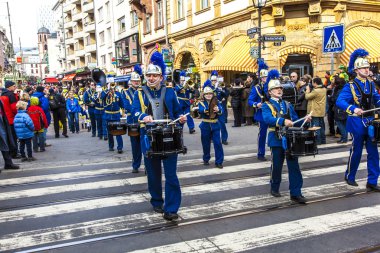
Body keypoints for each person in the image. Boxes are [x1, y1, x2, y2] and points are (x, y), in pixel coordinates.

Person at [132, 51, 187, 221]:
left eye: (155, 75)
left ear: (161, 77)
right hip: (149, 137)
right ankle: (157, 201)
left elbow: (178, 112)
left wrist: (182, 119)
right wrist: (142, 116)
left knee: (171, 175)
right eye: (149, 75)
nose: (151, 78)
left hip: (169, 135)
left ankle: (171, 209)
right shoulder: (139, 93)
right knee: (153, 173)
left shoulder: (170, 92)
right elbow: (132, 113)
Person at [262, 70, 311, 204]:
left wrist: (305, 120)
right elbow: (267, 119)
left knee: (294, 166)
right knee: (277, 165)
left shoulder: (287, 104)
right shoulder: (267, 105)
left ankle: (296, 193)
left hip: (290, 138)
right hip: (276, 138)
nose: (279, 90)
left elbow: (294, 120)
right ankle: (275, 187)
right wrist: (282, 121)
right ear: (270, 92)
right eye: (275, 88)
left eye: (280, 88)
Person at [336, 48, 380, 191]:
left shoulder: (371, 84)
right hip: (356, 121)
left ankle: (372, 181)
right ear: (356, 70)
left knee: (373, 152)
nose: (367, 70)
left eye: (367, 67)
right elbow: (340, 101)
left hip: (370, 121)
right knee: (357, 151)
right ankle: (350, 176)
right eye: (363, 68)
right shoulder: (350, 86)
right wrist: (353, 108)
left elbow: (376, 99)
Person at [122, 65, 142, 173]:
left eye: (138, 81)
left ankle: (148, 165)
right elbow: (127, 106)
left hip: (142, 120)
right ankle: (136, 165)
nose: (136, 83)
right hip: (132, 120)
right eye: (134, 81)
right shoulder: (125, 92)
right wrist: (138, 110)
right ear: (131, 81)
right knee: (135, 145)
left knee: (145, 143)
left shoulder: (143, 90)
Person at [248, 59, 269, 161]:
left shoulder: (272, 86)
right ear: (260, 78)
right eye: (263, 77)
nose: (265, 79)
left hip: (274, 113)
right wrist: (257, 104)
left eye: (266, 77)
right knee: (262, 134)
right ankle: (261, 153)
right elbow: (250, 101)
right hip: (262, 114)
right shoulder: (256, 88)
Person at [198, 86, 224, 168]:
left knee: (218, 143)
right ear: (204, 95)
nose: (209, 95)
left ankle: (219, 161)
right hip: (205, 125)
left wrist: (218, 110)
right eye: (207, 94)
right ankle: (206, 158)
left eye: (210, 93)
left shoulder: (217, 102)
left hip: (215, 125)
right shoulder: (201, 102)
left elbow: (221, 110)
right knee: (206, 144)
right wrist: (208, 109)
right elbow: (201, 110)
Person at [204, 71, 229, 145]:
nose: (214, 82)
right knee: (211, 122)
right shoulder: (209, 87)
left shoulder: (219, 87)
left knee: (222, 123)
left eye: (215, 80)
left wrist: (223, 89)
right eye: (213, 80)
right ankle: (211, 137)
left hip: (219, 105)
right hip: (211, 106)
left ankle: (224, 139)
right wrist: (215, 88)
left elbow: (226, 94)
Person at [101, 83, 124, 153]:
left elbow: (122, 104)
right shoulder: (105, 93)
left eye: (112, 85)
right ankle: (111, 146)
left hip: (116, 115)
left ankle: (120, 147)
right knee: (109, 132)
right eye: (110, 85)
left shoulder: (118, 93)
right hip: (108, 115)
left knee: (118, 132)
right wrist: (108, 89)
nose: (112, 86)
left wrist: (124, 111)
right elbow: (102, 97)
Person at [0, 81, 20, 158]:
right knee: (13, 137)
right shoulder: (11, 95)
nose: (15, 87)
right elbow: (14, 108)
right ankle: (14, 153)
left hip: (4, 119)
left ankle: (10, 153)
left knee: (8, 137)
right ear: (9, 87)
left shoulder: (2, 95)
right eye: (14, 86)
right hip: (11, 119)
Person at [305, 77, 327, 145]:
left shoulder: (316, 91)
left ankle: (318, 141)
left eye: (312, 82)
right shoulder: (324, 89)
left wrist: (307, 90)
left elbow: (307, 97)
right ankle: (323, 140)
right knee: (322, 126)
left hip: (315, 111)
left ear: (315, 83)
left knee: (316, 127)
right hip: (321, 111)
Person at [0, 99, 19, 171]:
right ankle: (8, 163)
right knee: (4, 142)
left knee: (4, 142)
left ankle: (8, 163)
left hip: (2, 122)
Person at [331, 77, 348, 143]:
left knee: (340, 124)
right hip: (344, 108)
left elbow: (335, 99)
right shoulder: (345, 89)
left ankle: (344, 138)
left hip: (339, 109)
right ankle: (344, 138)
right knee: (344, 124)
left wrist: (331, 98)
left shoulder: (338, 90)